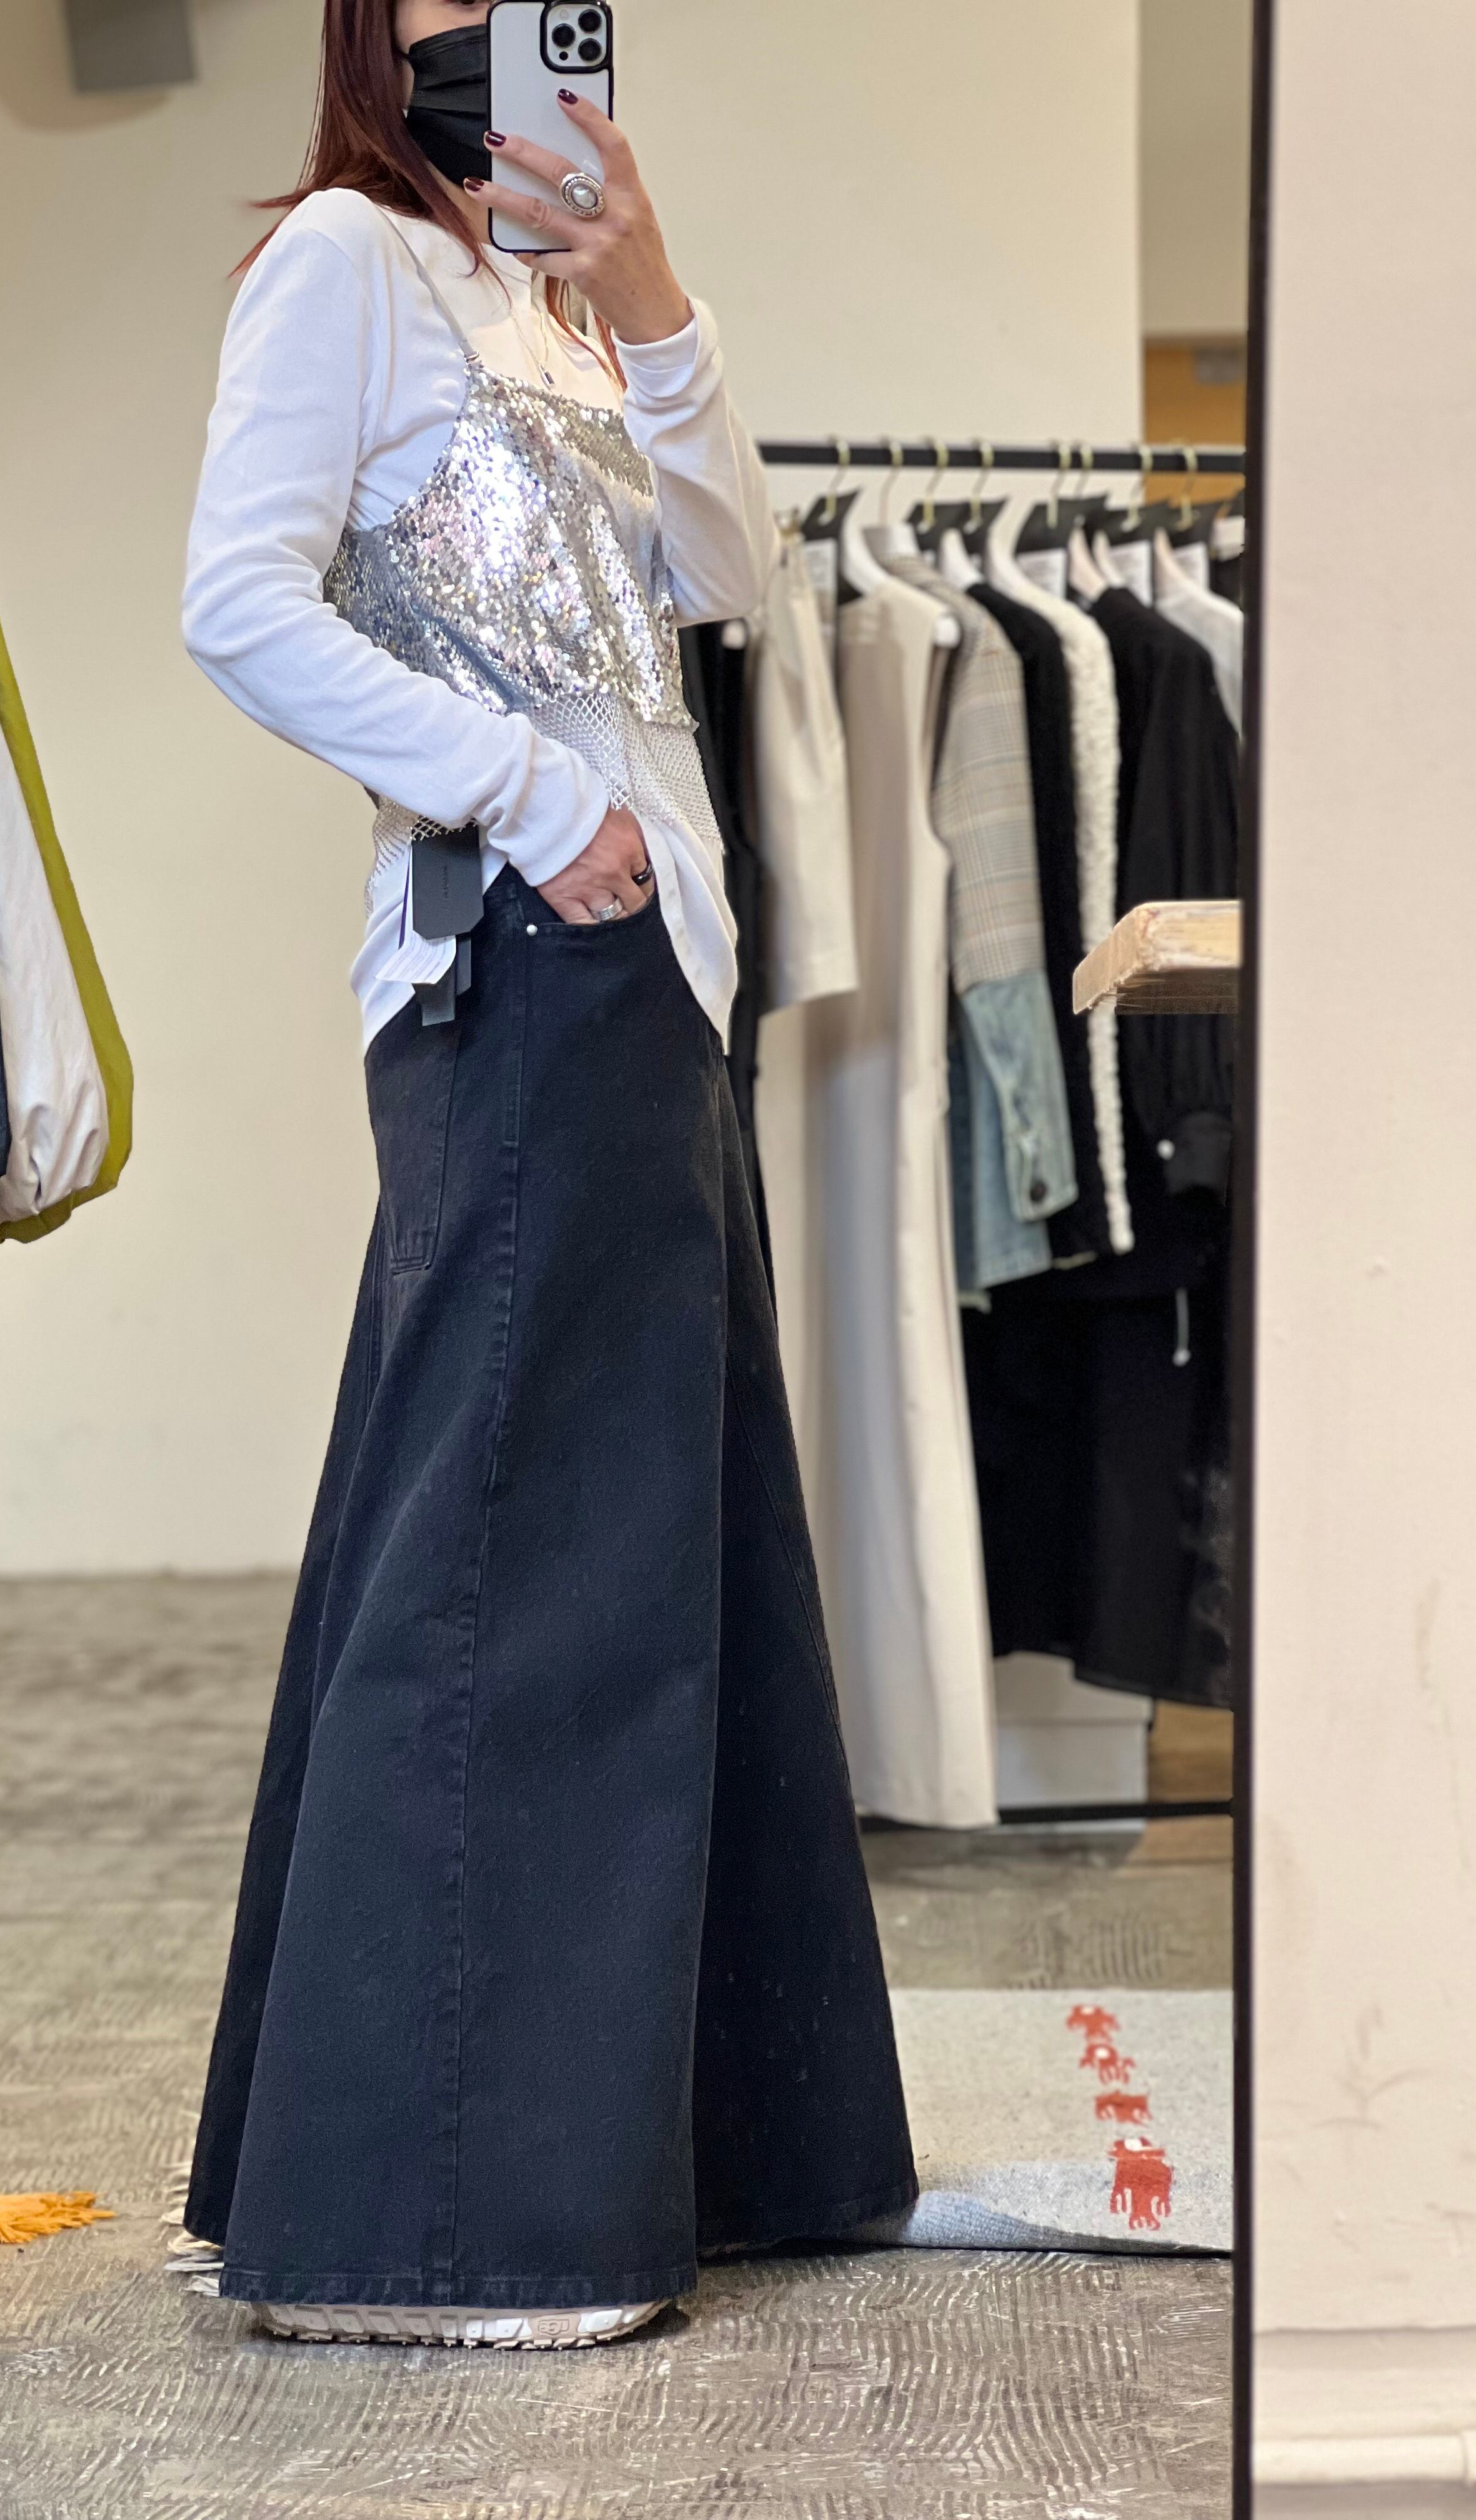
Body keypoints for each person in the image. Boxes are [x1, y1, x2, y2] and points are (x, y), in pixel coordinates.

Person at [180, 0, 915, 2350]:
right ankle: (439, 2230)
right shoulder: (345, 265)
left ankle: (679, 2155)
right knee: (520, 1565)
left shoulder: (563, 301)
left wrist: (655, 291)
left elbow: (727, 571)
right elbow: (237, 599)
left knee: (640, 1546)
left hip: (650, 969)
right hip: (517, 955)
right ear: (377, 30)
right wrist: (527, 796)